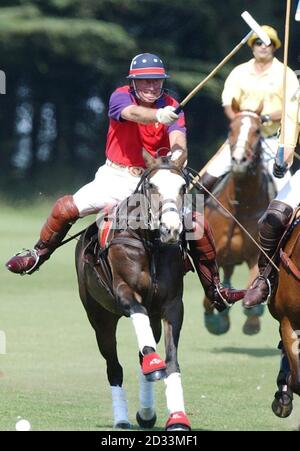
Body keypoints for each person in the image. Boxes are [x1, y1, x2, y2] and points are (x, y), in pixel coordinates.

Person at [5, 52, 245, 310]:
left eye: (156, 81)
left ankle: (215, 290)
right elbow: (131, 114)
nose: (151, 86)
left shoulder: (174, 105)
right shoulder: (121, 96)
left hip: (157, 182)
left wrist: (177, 156)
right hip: (116, 177)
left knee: (196, 223)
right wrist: (157, 116)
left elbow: (178, 139)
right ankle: (38, 254)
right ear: (133, 82)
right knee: (66, 207)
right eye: (144, 81)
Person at [201, 25, 299, 195]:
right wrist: (242, 123)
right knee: (205, 180)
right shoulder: (239, 72)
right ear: (252, 46)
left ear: (275, 47)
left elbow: (292, 109)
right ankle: (188, 217)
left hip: (271, 139)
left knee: (286, 192)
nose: (263, 46)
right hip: (242, 136)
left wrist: (266, 117)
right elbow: (228, 104)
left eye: (268, 43)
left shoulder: (286, 74)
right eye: (259, 42)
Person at [243, 84, 300, 307]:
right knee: (272, 218)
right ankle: (264, 278)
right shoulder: (297, 96)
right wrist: (281, 161)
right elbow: (287, 143)